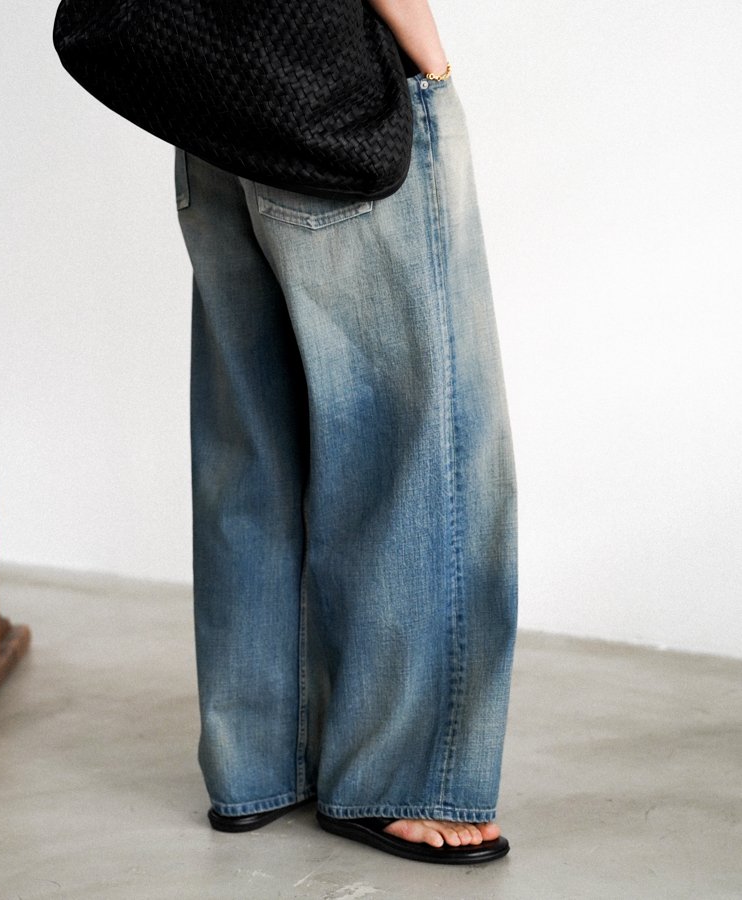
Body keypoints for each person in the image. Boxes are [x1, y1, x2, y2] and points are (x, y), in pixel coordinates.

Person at [174, 0, 517, 865]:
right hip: (339, 93)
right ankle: (401, 778)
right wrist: (432, 65)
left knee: (251, 444)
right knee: (420, 451)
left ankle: (258, 764)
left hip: (212, 95)